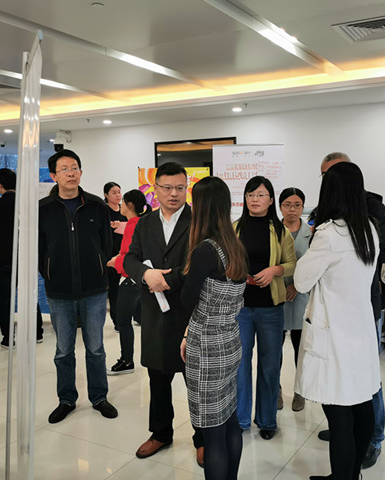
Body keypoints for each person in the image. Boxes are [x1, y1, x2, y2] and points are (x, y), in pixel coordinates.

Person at [294, 162, 380, 480]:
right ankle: (352, 474)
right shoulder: (369, 229)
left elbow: (301, 281)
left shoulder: (329, 234)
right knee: (362, 403)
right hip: (361, 329)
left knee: (339, 413)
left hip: (334, 335)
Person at [315, 153, 385, 469]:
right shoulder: (327, 217)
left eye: (331, 175)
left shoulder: (371, 208)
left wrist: (345, 248)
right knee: (339, 378)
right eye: (323, 175)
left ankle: (373, 439)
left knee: (367, 381)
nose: (327, 182)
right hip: (334, 312)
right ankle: (344, 432)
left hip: (362, 306)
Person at [123, 162, 204, 464]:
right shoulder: (144, 224)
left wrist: (168, 280)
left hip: (189, 313)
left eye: (180, 188)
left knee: (195, 381)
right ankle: (160, 433)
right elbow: (129, 259)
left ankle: (203, 438)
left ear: (187, 189)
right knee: (157, 378)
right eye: (167, 188)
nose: (174, 194)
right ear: (155, 189)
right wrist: (146, 275)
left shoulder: (199, 222)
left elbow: (202, 263)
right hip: (155, 315)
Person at [39, 149, 118, 424]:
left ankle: (99, 397)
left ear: (81, 173)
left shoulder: (96, 206)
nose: (71, 173)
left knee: (96, 348)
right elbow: (39, 249)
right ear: (54, 176)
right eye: (64, 169)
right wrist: (50, 272)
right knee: (63, 350)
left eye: (75, 168)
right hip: (59, 291)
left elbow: (106, 245)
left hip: (94, 290)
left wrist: (98, 268)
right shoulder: (43, 209)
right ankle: (66, 399)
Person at [179, 176, 247, 480]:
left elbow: (187, 300)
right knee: (229, 419)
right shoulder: (235, 246)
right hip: (230, 340)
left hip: (206, 347)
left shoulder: (204, 250)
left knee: (212, 431)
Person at [234, 176, 297, 440]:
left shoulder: (280, 231)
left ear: (271, 200)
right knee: (240, 364)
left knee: (270, 366)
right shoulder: (235, 228)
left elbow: (292, 264)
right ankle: (240, 419)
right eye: (250, 194)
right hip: (241, 307)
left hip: (270, 308)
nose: (255, 199)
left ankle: (267, 420)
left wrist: (275, 270)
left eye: (260, 195)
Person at [0, 168, 43, 348]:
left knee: (4, 299)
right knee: (29, 295)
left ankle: (9, 338)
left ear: (0, 185)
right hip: (24, 257)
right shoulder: (29, 206)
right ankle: (37, 333)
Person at [106, 189, 151, 374]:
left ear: (130, 205)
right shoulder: (141, 223)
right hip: (140, 280)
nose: (120, 203)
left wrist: (115, 262)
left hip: (130, 280)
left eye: (122, 200)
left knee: (123, 322)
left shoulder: (134, 226)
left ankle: (126, 361)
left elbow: (130, 258)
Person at [278, 187, 312, 412]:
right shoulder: (273, 231)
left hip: (302, 299)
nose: (292, 209)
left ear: (303, 207)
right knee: (274, 351)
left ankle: (300, 391)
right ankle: (276, 390)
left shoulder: (313, 234)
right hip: (277, 297)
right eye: (287, 205)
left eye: (297, 205)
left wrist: (297, 286)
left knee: (302, 351)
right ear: (280, 207)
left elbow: (314, 267)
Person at [104, 182, 127, 329]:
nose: (118, 195)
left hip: (125, 253)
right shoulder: (104, 211)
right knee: (114, 291)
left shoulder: (124, 210)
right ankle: (117, 322)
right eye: (114, 192)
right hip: (111, 255)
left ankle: (132, 317)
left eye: (119, 192)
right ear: (106, 195)